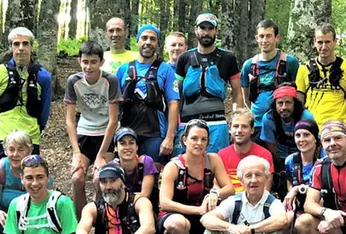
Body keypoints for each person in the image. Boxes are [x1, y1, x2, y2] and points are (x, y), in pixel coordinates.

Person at [158, 119, 235, 234]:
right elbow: (165, 203)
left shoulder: (212, 160)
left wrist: (215, 193)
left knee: (227, 210)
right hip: (177, 217)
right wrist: (198, 210)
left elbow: (230, 189)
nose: (199, 143)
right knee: (176, 225)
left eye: (203, 139)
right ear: (184, 140)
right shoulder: (173, 166)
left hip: (205, 216)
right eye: (194, 138)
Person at [65, 41, 122, 217]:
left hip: (106, 134)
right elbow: (69, 120)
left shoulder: (110, 80)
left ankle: (99, 218)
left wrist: (101, 156)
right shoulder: (74, 81)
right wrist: (76, 153)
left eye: (93, 62)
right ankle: (81, 221)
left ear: (101, 62)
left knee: (99, 179)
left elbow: (113, 120)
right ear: (79, 61)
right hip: (85, 132)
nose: (89, 67)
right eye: (85, 62)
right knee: (77, 177)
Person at [0, 27, 52, 169]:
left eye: (25, 44)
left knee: (31, 179)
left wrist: (38, 129)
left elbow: (45, 109)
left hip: (30, 135)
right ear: (11, 47)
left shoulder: (43, 76)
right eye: (16, 44)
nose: (21, 48)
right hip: (2, 133)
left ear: (32, 47)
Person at [174, 13, 243, 154]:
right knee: (184, 168)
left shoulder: (227, 58)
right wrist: (175, 125)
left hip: (216, 124)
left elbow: (237, 93)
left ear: (216, 31)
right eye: (202, 28)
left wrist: (236, 124)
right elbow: (176, 95)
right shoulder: (185, 58)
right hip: (188, 124)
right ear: (195, 30)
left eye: (210, 28)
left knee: (215, 167)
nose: (206, 32)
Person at [117, 24, 180, 165]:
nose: (148, 42)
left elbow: (173, 103)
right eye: (144, 38)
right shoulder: (123, 69)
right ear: (137, 41)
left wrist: (170, 137)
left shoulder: (166, 70)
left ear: (157, 44)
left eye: (153, 39)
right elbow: (114, 103)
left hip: (155, 132)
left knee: (153, 171)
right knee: (127, 173)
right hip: (127, 132)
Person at [240, 20, 300, 137]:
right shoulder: (249, 65)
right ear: (256, 38)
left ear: (277, 38)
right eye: (261, 36)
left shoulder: (290, 63)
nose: (264, 40)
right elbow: (245, 97)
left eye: (269, 36)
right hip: (257, 124)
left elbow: (298, 93)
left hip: (282, 124)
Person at [296, 24, 346, 130]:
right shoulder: (304, 69)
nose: (323, 47)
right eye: (320, 42)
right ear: (314, 42)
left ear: (335, 42)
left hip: (339, 127)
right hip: (312, 127)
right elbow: (299, 101)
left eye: (327, 42)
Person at [217, 108, 275, 194]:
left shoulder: (263, 155)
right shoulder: (221, 155)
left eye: (244, 126)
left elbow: (266, 190)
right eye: (236, 126)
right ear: (229, 129)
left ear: (252, 130)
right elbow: (216, 186)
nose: (239, 130)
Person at [260, 84, 315, 164]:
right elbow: (272, 149)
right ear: (275, 105)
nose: (284, 107)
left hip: (303, 157)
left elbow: (313, 143)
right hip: (280, 158)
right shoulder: (269, 119)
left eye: (288, 103)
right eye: (280, 103)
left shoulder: (306, 117)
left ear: (294, 104)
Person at [282, 119, 323, 212]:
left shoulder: (324, 158)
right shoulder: (290, 160)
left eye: (306, 135)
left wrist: (298, 189)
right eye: (298, 135)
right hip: (298, 203)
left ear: (315, 138)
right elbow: (289, 181)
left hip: (320, 203)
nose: (301, 139)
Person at [111, 127, 159, 199]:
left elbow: (145, 195)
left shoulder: (145, 162)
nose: (127, 147)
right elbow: (113, 196)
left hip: (144, 205)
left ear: (136, 147)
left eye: (131, 143)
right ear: (116, 148)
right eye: (122, 143)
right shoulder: (112, 167)